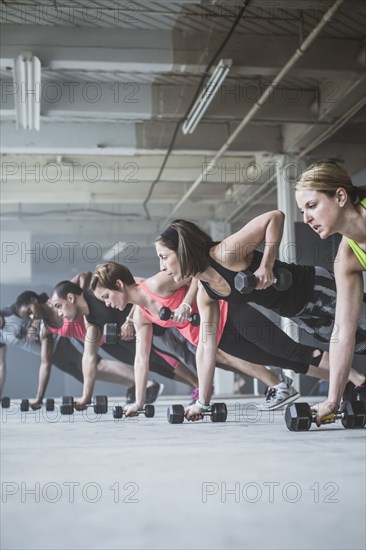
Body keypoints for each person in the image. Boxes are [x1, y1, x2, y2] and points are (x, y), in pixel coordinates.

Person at [155, 211, 366, 420]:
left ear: (182, 251)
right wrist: (203, 401)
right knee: (359, 344)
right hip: (299, 314)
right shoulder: (206, 292)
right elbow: (205, 346)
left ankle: (357, 384)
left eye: (164, 257)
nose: (162, 267)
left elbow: (274, 217)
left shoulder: (225, 253)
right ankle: (358, 384)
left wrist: (267, 264)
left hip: (317, 288)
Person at [90, 263, 348, 416]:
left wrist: (188, 304)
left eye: (105, 297)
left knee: (292, 351)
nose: (107, 304)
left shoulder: (156, 284)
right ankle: (347, 384)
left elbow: (194, 272)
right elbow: (140, 359)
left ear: (120, 285)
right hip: (219, 336)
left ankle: (356, 381)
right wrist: (139, 401)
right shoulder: (141, 316)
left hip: (230, 312)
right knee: (285, 360)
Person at [295, 160, 366, 424]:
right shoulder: (346, 258)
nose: (306, 218)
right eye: (302, 210)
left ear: (339, 196)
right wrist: (332, 401)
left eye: (312, 206)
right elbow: (343, 331)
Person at [0, 307, 134, 408]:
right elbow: (1, 365)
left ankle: (145, 384)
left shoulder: (11, 310)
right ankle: (132, 385)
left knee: (96, 365)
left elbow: (41, 308)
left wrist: (33, 327)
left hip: (62, 341)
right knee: (91, 374)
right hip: (54, 355)